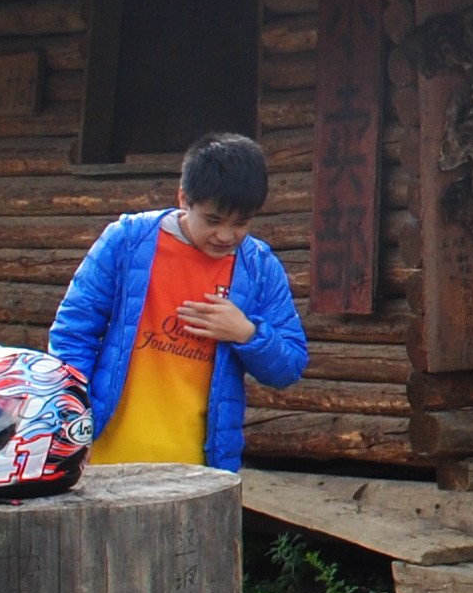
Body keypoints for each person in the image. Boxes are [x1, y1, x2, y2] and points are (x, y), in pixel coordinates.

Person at [46, 130, 310, 469]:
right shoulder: (127, 240)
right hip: (104, 454)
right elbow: (73, 332)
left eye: (241, 223)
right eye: (213, 220)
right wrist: (74, 421)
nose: (226, 235)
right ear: (184, 198)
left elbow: (290, 366)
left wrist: (247, 333)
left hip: (200, 468)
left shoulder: (260, 267)